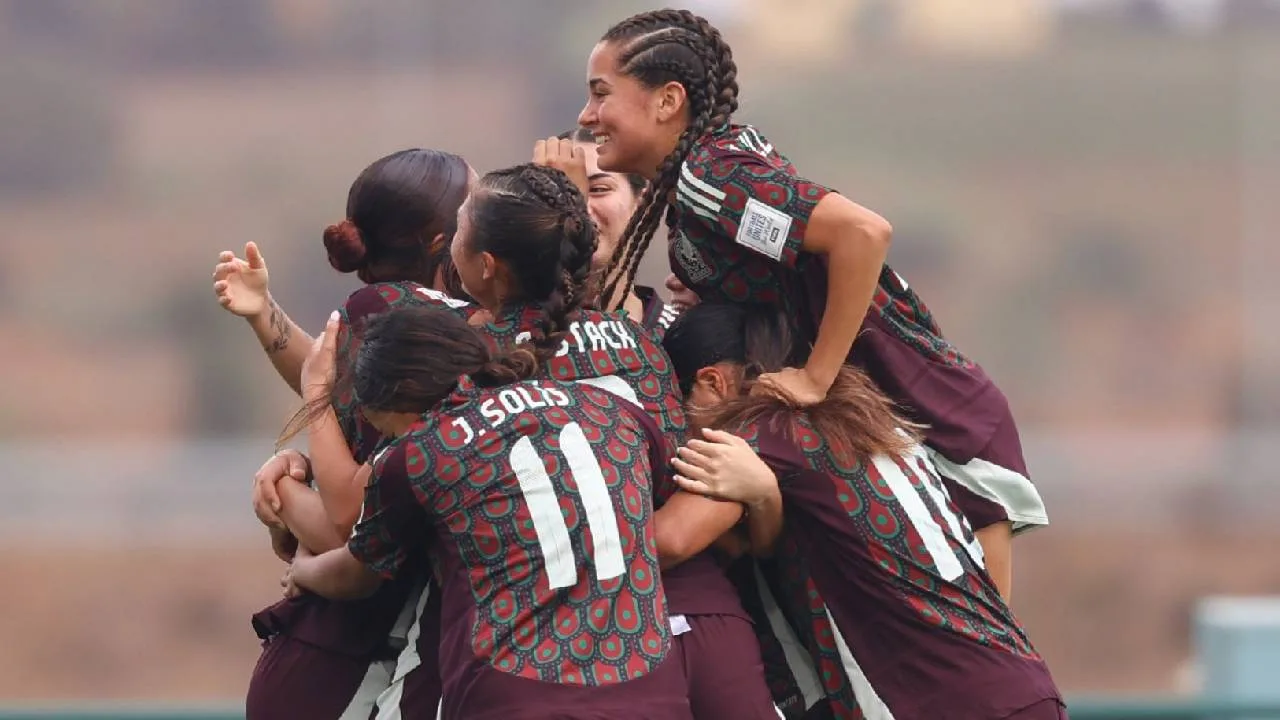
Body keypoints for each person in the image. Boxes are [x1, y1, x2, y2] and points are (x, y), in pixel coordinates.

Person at [577, 8, 1045, 598]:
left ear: (668, 101)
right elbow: (792, 261)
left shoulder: (710, 176)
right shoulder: (700, 181)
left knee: (982, 656)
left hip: (933, 418)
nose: (587, 115)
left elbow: (861, 233)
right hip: (892, 428)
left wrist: (816, 377)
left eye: (600, 94)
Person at [433, 159, 781, 718]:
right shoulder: (635, 341)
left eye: (459, 232)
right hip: (698, 610)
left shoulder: (468, 360)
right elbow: (683, 475)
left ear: (488, 265)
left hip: (561, 638)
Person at [660, 302, 1066, 720]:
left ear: (712, 382)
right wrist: (765, 501)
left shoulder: (767, 427)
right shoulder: (866, 415)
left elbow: (671, 539)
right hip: (1018, 685)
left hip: (947, 701)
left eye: (676, 408)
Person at [285, 305, 693, 720]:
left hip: (515, 696)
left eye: (388, 431)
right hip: (652, 695)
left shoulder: (422, 452)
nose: (389, 444)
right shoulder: (613, 411)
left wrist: (302, 568)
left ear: (401, 396)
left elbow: (358, 573)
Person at [213, 148, 473, 719]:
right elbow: (351, 525)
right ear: (439, 240)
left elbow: (327, 381)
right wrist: (290, 499)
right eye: (475, 206)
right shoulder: (421, 314)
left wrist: (266, 316)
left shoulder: (391, 310)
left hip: (336, 651)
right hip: (344, 658)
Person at [552, 128, 679, 335]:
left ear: (643, 203)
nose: (580, 208)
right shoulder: (511, 343)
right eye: (560, 193)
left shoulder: (682, 337)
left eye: (599, 189)